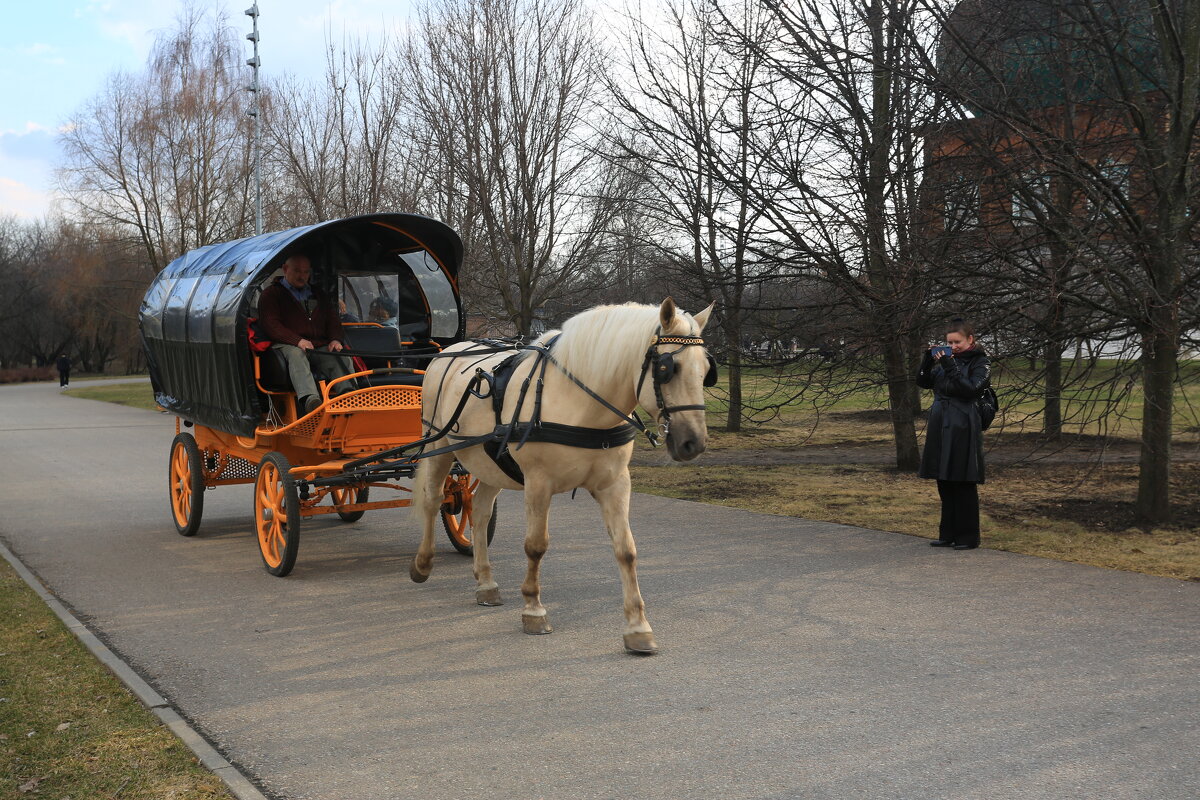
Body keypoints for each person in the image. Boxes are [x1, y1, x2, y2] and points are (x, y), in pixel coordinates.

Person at [917, 318, 991, 550]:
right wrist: (927, 361)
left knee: (962, 479)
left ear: (970, 339)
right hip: (941, 423)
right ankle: (947, 533)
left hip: (963, 424)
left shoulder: (981, 362)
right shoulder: (946, 361)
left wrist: (949, 364)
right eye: (949, 342)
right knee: (944, 478)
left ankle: (967, 536)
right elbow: (923, 382)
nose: (953, 346)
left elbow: (970, 390)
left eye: (957, 342)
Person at [257, 253, 355, 415]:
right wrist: (297, 340)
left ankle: (349, 396)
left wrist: (335, 340)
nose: (302, 276)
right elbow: (271, 325)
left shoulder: (318, 294)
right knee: (296, 354)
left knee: (339, 354)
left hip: (317, 345)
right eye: (297, 271)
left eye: (306, 272)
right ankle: (310, 400)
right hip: (286, 344)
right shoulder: (271, 294)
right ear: (285, 269)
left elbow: (333, 320)